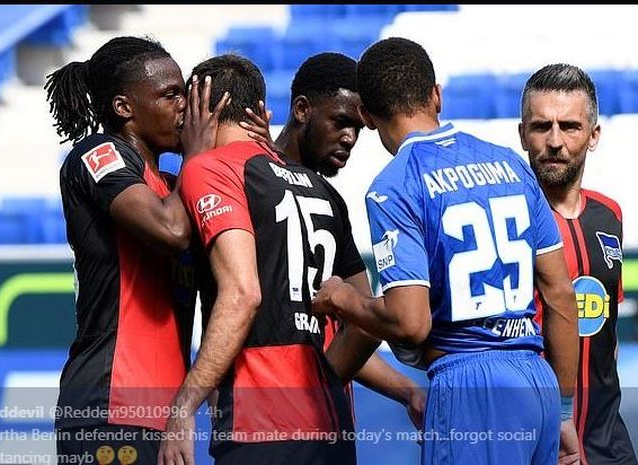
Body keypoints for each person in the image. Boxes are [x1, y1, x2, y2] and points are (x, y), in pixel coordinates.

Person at [312, 37, 580, 465]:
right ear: (436, 94)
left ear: (366, 114)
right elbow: (561, 295)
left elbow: (409, 322)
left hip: (469, 385)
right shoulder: (511, 164)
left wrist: (342, 298)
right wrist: (563, 411)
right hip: (538, 382)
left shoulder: (394, 186)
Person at [158, 54, 379, 465]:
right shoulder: (322, 189)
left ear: (200, 109)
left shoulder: (211, 169)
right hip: (330, 427)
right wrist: (321, 384)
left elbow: (242, 295)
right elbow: (367, 323)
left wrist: (182, 407)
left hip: (260, 423)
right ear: (260, 111)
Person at [44, 36, 229, 462]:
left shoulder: (173, 187)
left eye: (185, 92)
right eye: (170, 95)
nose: (184, 106)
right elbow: (170, 230)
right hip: (107, 407)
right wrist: (198, 157)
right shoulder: (99, 153)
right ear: (125, 108)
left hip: (165, 418)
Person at [272, 51, 426, 430]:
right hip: (266, 418)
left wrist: (408, 391)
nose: (351, 137)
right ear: (302, 109)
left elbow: (365, 322)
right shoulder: (251, 182)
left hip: (310, 421)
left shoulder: (331, 201)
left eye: (358, 128)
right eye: (341, 122)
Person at [519, 63, 637, 465]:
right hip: (538, 441)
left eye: (569, 126)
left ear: (593, 135)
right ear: (522, 135)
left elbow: (606, 326)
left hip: (608, 440)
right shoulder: (509, 221)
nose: (554, 141)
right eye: (540, 126)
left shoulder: (610, 215)